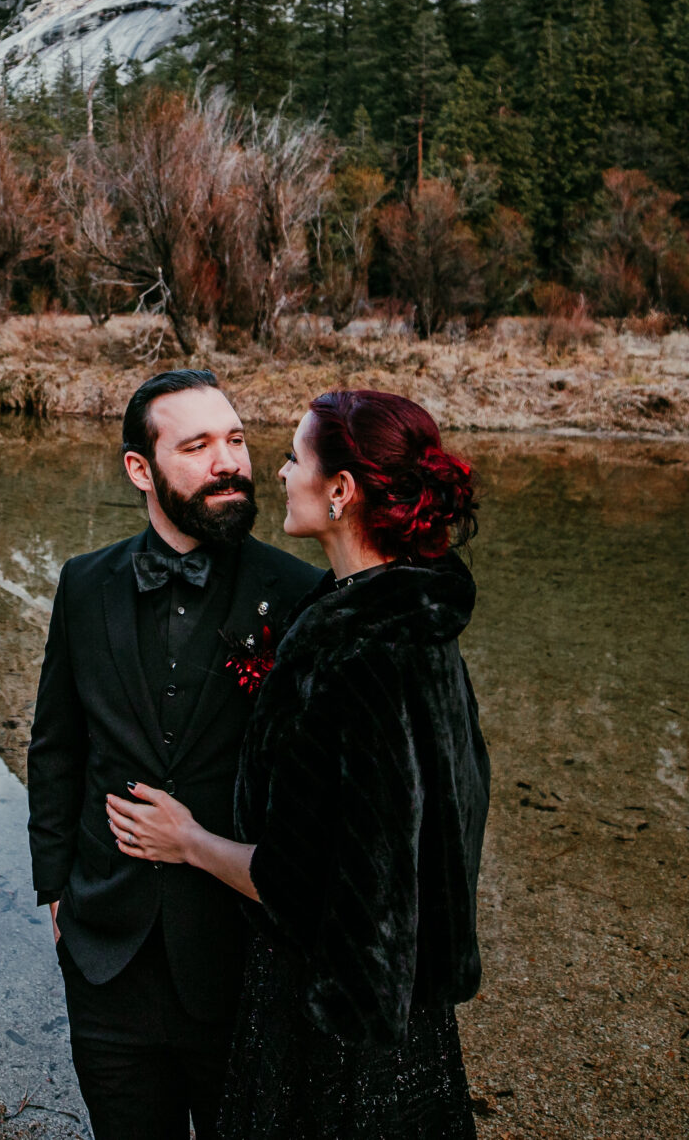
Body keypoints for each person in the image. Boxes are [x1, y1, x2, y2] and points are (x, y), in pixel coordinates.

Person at [104, 389, 490, 1140]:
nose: (275, 473)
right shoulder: (415, 622)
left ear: (340, 490)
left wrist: (188, 841)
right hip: (406, 1006)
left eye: (292, 457)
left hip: (335, 1023)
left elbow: (307, 884)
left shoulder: (357, 655)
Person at [27, 369, 324, 1140]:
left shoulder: (299, 592)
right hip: (105, 955)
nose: (228, 461)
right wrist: (56, 892)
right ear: (141, 469)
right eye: (196, 446)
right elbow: (56, 744)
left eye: (235, 440)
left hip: (239, 962)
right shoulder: (83, 583)